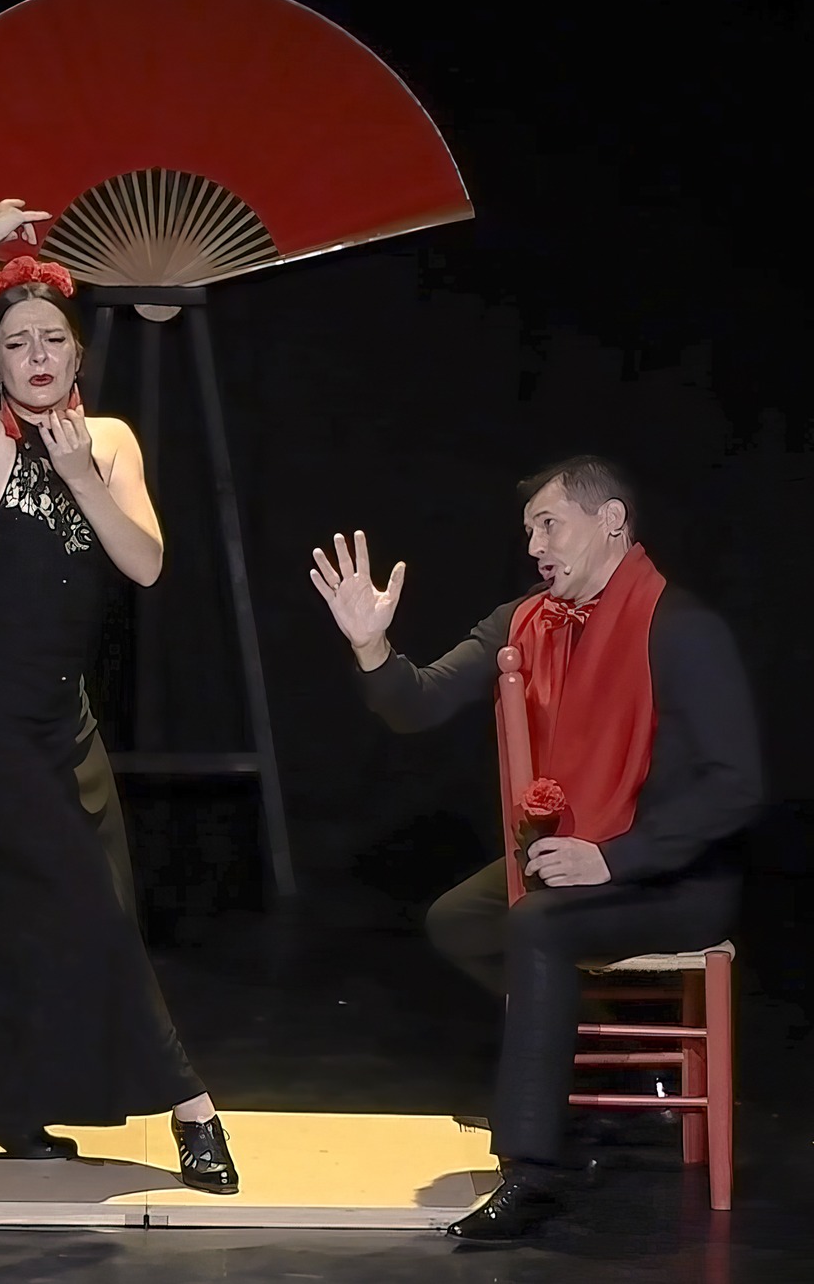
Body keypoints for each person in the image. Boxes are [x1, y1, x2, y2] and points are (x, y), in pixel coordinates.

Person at [308, 456, 763, 1240]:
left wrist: (614, 858)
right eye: (529, 531)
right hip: (577, 858)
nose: (535, 547)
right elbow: (419, 703)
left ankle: (533, 1171)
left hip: (674, 874)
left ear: (611, 521)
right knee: (461, 918)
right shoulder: (524, 620)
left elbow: (735, 787)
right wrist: (373, 647)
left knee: (537, 925)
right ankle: (590, 1045)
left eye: (549, 525)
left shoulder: (682, 628)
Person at [0, 197, 238, 1193]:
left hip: (66, 719)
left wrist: (84, 476)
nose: (36, 354)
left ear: (75, 353)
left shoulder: (109, 441)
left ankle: (8, 1107)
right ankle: (192, 1108)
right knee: (83, 910)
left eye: (51, 338)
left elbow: (144, 564)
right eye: (15, 343)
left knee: (64, 911)